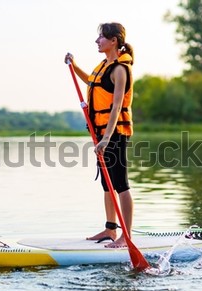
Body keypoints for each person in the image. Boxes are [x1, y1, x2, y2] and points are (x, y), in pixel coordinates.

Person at [65, 22, 134, 248]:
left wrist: (106, 138)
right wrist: (74, 66)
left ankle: (126, 236)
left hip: (114, 134)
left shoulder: (120, 70)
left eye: (101, 37)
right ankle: (110, 230)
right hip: (101, 134)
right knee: (107, 183)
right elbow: (91, 81)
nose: (97, 41)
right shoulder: (104, 66)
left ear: (113, 40)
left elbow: (116, 107)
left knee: (120, 184)